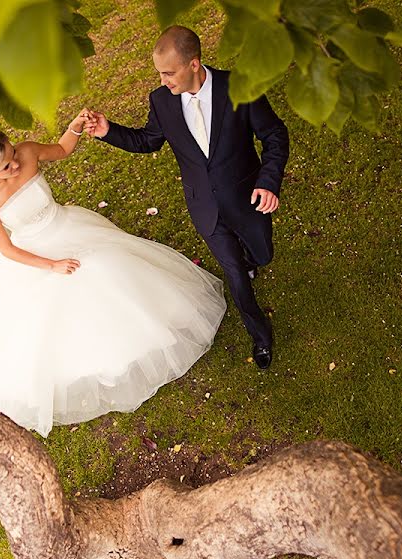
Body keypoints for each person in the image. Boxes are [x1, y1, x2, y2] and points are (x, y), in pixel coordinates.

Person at [0, 113, 226, 437]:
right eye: (5, 167)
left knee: (109, 264)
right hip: (33, 253)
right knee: (68, 294)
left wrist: (74, 127)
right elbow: (9, 250)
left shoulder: (26, 152)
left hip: (67, 225)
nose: (14, 166)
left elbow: (61, 150)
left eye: (12, 156)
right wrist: (52, 265)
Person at [85, 25, 289, 369]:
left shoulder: (239, 87)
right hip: (204, 207)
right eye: (159, 74)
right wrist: (109, 131)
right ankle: (260, 334)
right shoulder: (162, 101)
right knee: (235, 275)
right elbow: (148, 140)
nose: (163, 81)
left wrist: (268, 182)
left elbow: (274, 135)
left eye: (169, 72)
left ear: (194, 64)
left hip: (246, 197)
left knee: (261, 253)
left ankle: (253, 259)